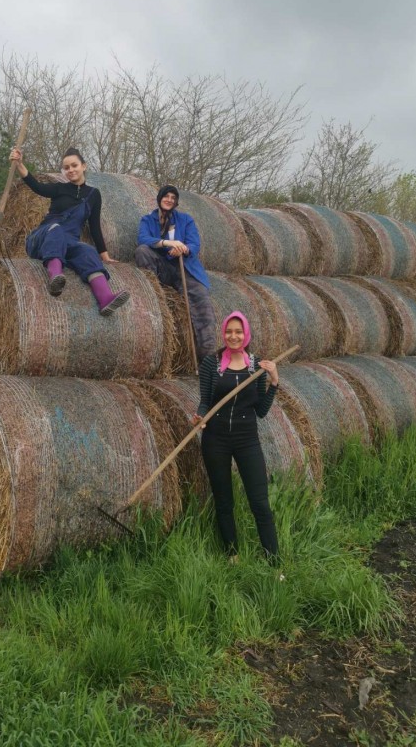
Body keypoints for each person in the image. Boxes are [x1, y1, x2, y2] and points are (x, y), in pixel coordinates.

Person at [192, 311, 280, 563]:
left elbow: (261, 411)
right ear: (224, 333)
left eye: (238, 331)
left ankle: (274, 561)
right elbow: (205, 402)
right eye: (229, 331)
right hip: (215, 439)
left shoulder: (256, 366)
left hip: (247, 440)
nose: (233, 336)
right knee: (224, 500)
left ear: (246, 334)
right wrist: (199, 417)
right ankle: (233, 555)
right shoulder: (211, 363)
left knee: (260, 502)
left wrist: (274, 382)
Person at [8, 146, 130, 316]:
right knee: (56, 230)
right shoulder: (59, 188)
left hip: (69, 241)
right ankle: (55, 277)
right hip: (43, 238)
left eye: (74, 165)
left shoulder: (94, 194)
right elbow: (36, 185)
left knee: (87, 250)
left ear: (84, 166)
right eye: (66, 168)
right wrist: (20, 164)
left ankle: (105, 299)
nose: (70, 170)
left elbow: (94, 226)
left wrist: (104, 255)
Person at [135, 185, 217, 361]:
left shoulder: (186, 220)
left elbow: (195, 244)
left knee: (203, 305)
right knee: (142, 250)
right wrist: (167, 243)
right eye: (166, 196)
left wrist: (183, 249)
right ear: (159, 198)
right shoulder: (147, 220)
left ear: (176, 202)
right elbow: (143, 239)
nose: (169, 199)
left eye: (173, 197)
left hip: (184, 268)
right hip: (161, 268)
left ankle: (208, 359)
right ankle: (153, 291)